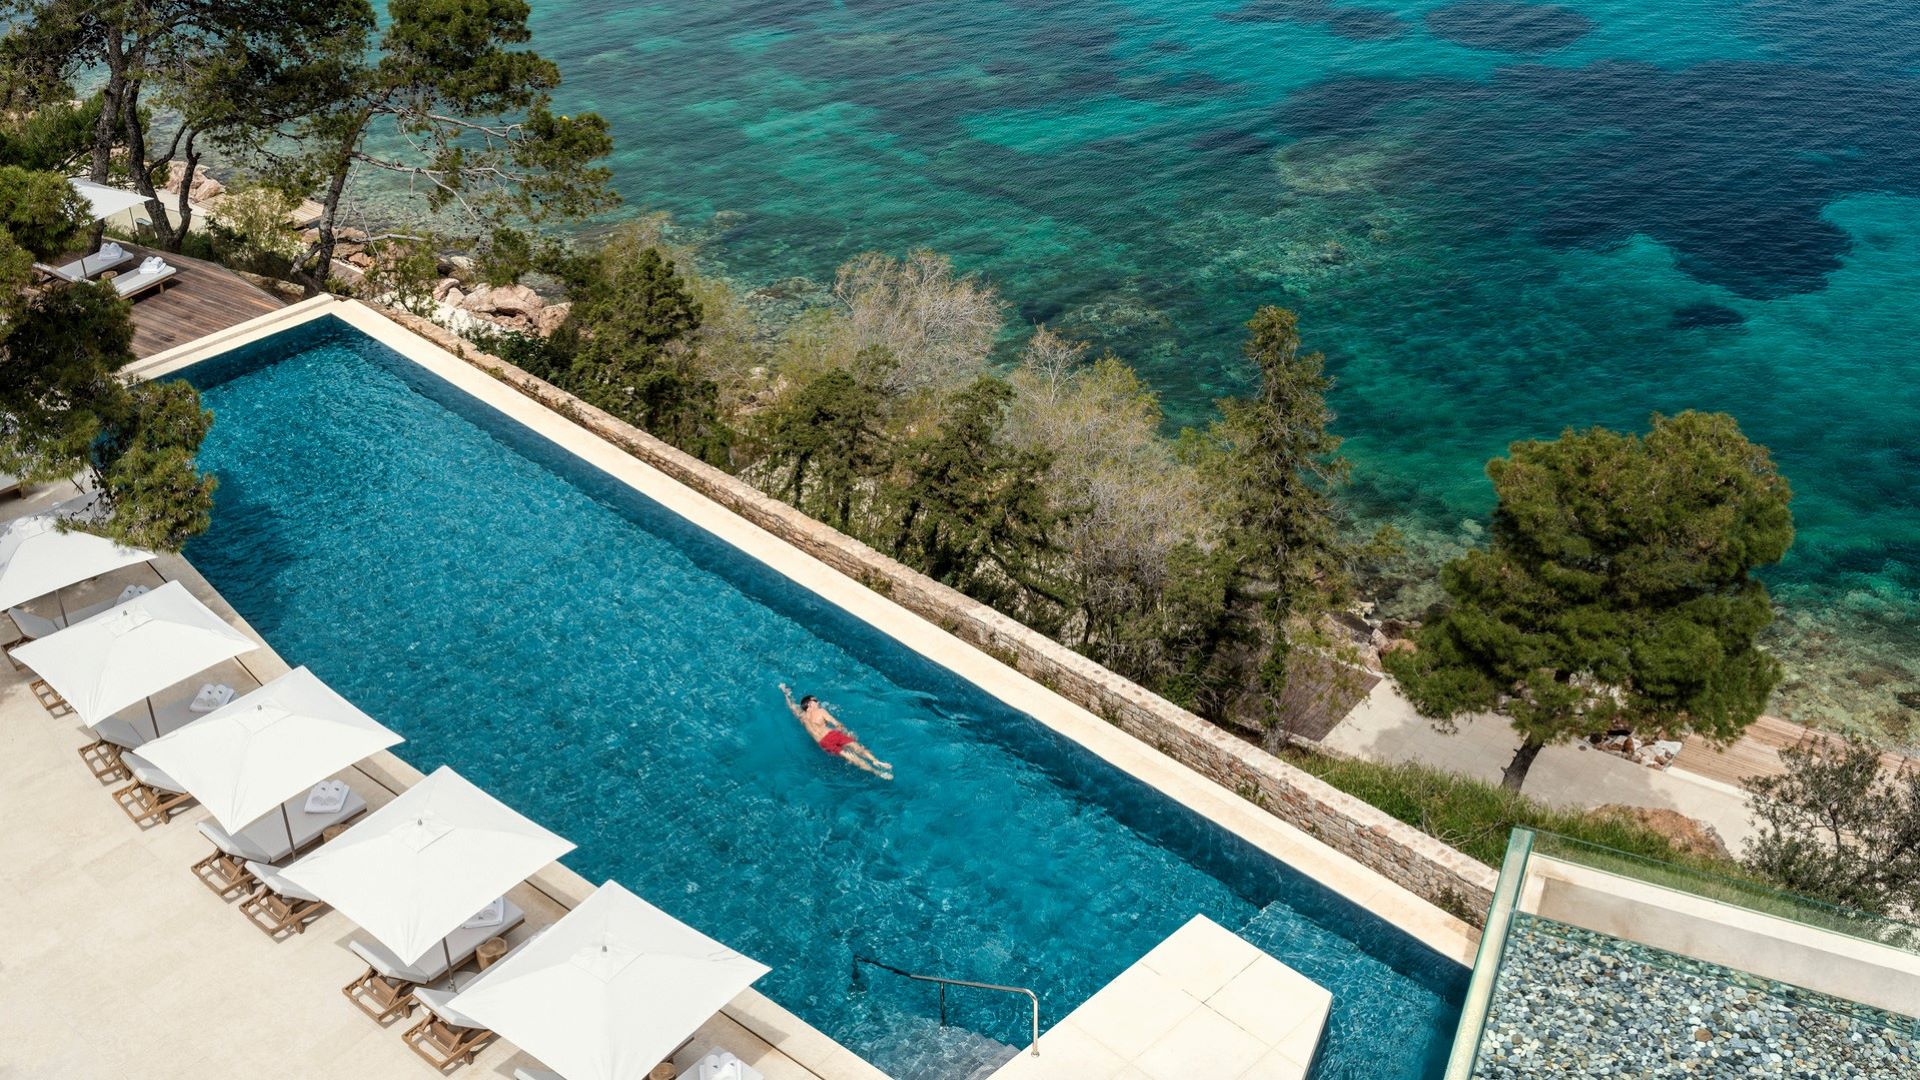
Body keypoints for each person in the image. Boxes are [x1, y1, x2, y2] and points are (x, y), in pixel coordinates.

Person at [781, 683, 892, 780]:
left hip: (827, 740)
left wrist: (785, 693)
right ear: (810, 703)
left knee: (854, 753)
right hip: (829, 739)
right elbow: (836, 723)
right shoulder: (815, 712)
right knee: (855, 753)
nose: (818, 702)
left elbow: (791, 705)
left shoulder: (804, 715)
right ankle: (876, 766)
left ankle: (876, 766)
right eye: (816, 700)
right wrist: (785, 693)